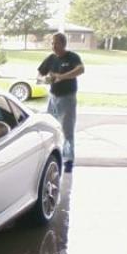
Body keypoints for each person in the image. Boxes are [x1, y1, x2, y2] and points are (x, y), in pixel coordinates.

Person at [37, 33, 85, 173]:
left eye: (56, 43)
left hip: (68, 98)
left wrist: (61, 77)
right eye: (52, 43)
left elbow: (81, 69)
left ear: (63, 44)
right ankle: (50, 156)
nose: (53, 46)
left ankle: (68, 160)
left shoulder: (72, 57)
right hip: (53, 98)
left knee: (67, 130)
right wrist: (45, 79)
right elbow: (39, 75)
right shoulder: (51, 59)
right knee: (50, 127)